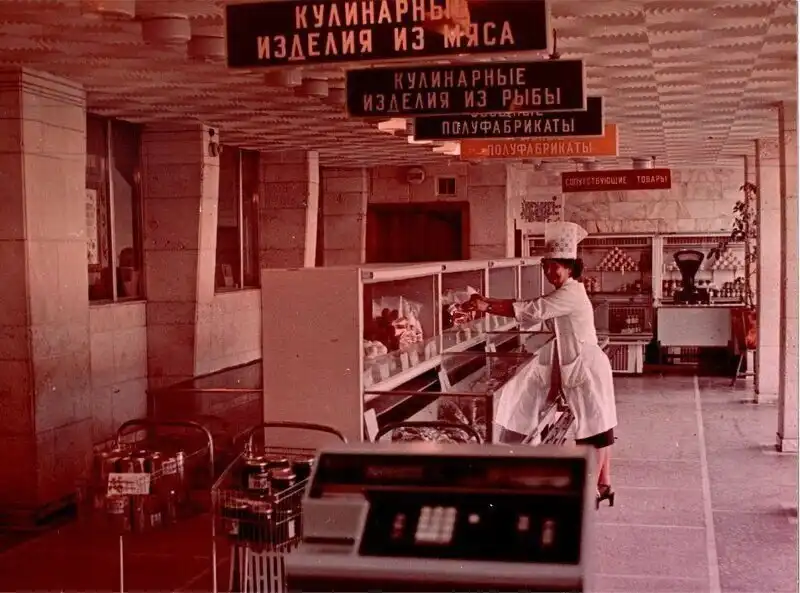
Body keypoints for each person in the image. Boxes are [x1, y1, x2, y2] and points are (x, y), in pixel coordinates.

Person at [469, 222, 618, 508]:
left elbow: (533, 309)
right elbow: (531, 306)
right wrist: (487, 300)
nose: (550, 273)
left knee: (594, 432)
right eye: (546, 268)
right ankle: (605, 484)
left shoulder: (570, 293)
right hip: (585, 364)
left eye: (555, 268)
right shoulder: (567, 291)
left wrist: (486, 307)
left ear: (570, 268)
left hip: (587, 368)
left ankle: (591, 491)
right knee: (600, 425)